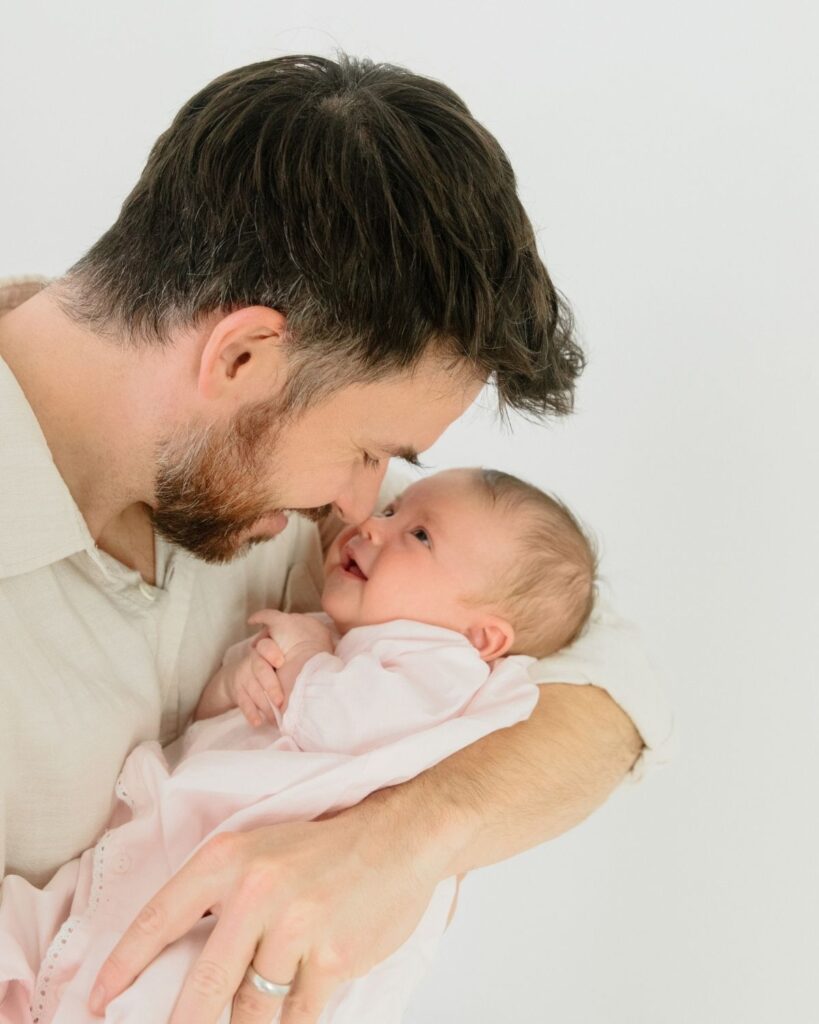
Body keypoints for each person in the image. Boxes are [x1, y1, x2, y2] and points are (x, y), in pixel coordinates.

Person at [0, 54, 674, 1024]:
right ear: (242, 356)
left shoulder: (272, 489)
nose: (370, 502)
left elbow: (608, 675)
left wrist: (403, 838)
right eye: (369, 450)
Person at [0, 467, 596, 1023]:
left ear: (484, 635)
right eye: (391, 509)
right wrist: (238, 680)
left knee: (160, 985)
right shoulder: (346, 639)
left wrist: (306, 658)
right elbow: (212, 730)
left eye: (417, 534)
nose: (371, 524)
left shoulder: (448, 672)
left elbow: (344, 724)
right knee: (45, 929)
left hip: (241, 914)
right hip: (169, 853)